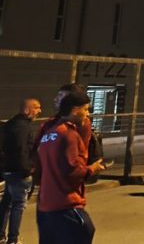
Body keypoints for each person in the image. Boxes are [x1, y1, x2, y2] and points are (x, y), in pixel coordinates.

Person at [35, 91, 107, 243]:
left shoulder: (49, 132)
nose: (87, 114)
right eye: (85, 109)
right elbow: (72, 170)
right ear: (75, 110)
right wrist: (92, 169)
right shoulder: (68, 134)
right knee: (85, 231)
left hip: (45, 204)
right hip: (65, 203)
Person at [0, 98, 42, 244]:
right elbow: (21, 150)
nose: (39, 111)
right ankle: (13, 239)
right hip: (19, 172)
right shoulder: (23, 127)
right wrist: (27, 169)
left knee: (7, 203)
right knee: (18, 205)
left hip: (8, 170)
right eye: (36, 107)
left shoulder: (10, 124)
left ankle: (1, 236)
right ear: (26, 110)